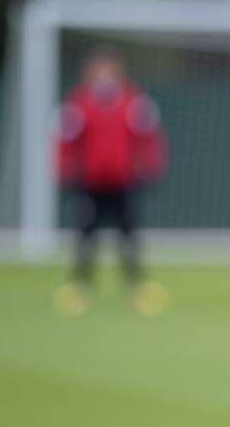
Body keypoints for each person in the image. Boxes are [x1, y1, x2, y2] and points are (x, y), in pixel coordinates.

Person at [53, 48, 169, 316]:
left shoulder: (133, 101)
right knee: (85, 236)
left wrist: (151, 164)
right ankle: (80, 287)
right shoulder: (78, 103)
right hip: (90, 183)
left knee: (129, 235)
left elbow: (149, 135)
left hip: (123, 181)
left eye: (108, 69)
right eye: (99, 69)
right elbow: (65, 139)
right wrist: (63, 167)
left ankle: (137, 287)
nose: (104, 75)